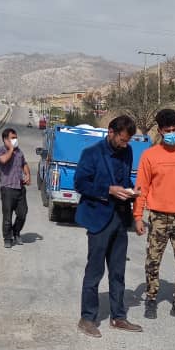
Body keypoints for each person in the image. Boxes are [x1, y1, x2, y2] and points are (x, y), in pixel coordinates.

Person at [74, 114, 143, 337]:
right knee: (94, 272)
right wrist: (108, 190)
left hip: (119, 219)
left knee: (118, 272)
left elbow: (124, 181)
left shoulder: (128, 152)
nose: (126, 144)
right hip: (98, 219)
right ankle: (87, 318)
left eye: (128, 141)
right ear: (111, 132)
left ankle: (118, 317)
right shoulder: (91, 153)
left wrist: (131, 192)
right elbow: (80, 183)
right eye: (123, 139)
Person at [134, 108, 175, 320]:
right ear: (160, 131)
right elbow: (141, 187)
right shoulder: (149, 155)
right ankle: (151, 299)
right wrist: (137, 216)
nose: (172, 133)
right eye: (167, 130)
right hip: (158, 217)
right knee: (153, 259)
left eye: (174, 129)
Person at [0, 127, 31, 248]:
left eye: (16, 138)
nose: (15, 140)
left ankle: (16, 232)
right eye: (12, 138)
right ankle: (7, 238)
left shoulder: (19, 152)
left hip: (20, 188)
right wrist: (10, 149)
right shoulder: (0, 151)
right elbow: (3, 160)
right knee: (7, 217)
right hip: (7, 189)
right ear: (5, 140)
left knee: (23, 213)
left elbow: (24, 163)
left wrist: (27, 174)